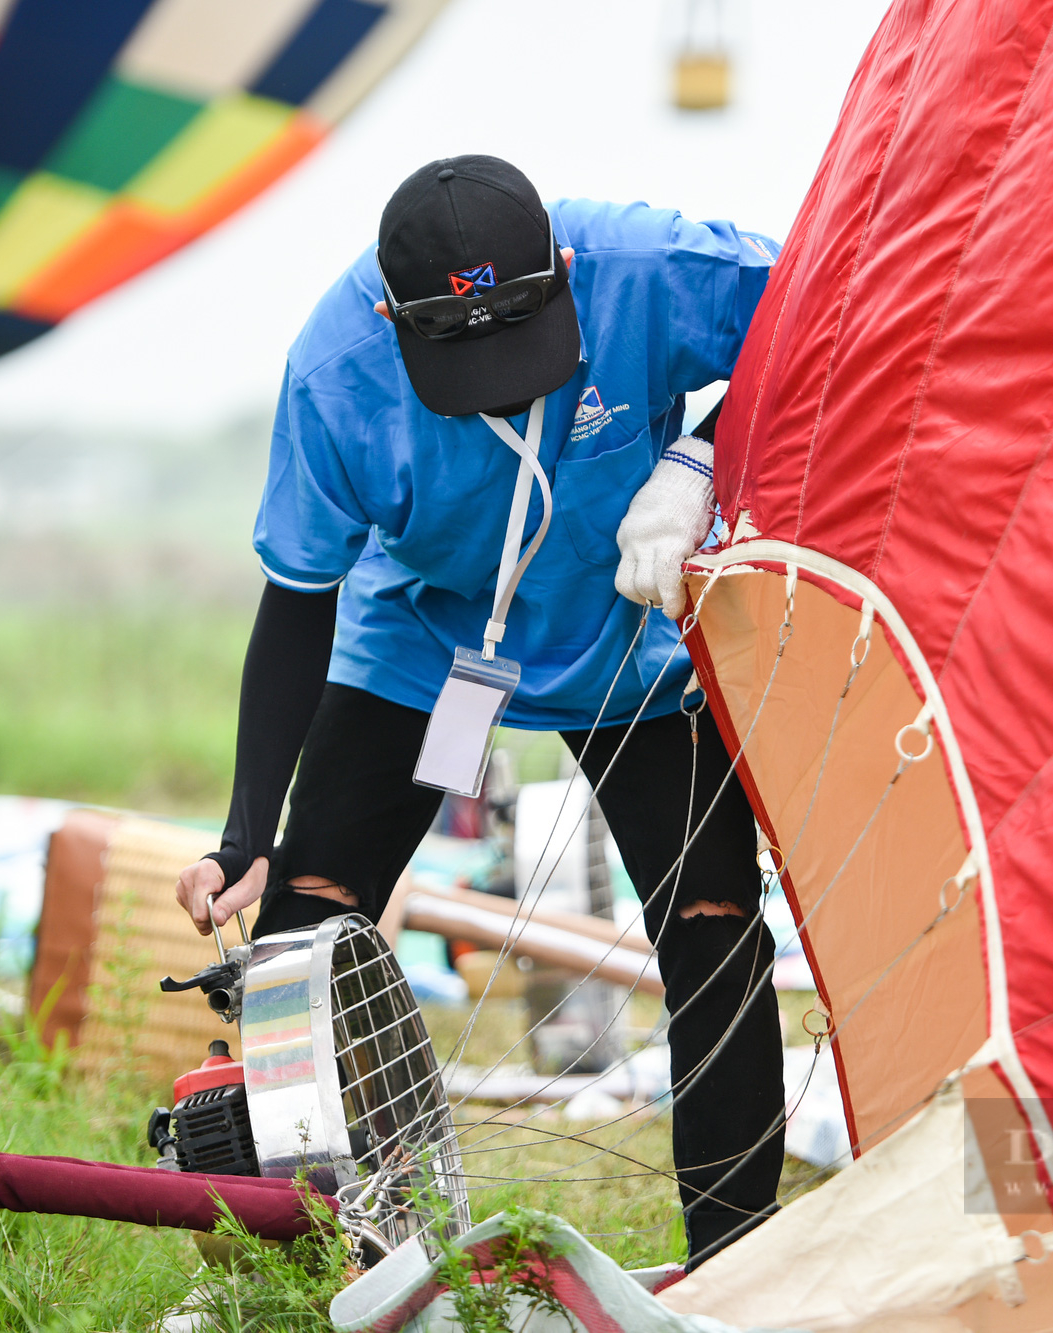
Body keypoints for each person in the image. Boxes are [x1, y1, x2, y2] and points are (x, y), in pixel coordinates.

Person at [174, 155, 784, 1266]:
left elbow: (827, 310)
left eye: (524, 354)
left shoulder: (649, 265)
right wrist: (245, 834)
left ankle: (736, 1264)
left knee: (716, 934)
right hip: (423, 644)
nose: (505, 388)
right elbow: (298, 599)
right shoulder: (335, 371)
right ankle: (302, 1266)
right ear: (393, 319)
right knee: (303, 937)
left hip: (627, 636)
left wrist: (700, 455)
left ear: (561, 271)